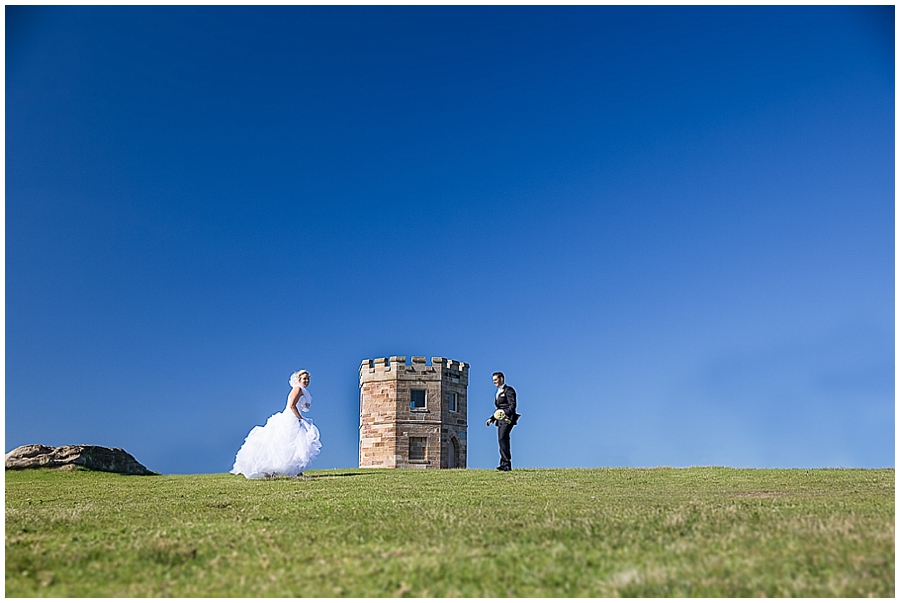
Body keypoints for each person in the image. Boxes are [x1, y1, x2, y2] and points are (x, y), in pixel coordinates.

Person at [231, 370, 322, 479]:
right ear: (299, 380)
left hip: (293, 416)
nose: (306, 381)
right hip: (291, 418)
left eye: (308, 379)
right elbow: (292, 405)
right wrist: (300, 418)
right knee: (288, 444)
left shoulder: (302, 391)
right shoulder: (297, 389)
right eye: (304, 379)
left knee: (295, 444)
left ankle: (296, 472)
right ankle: (276, 470)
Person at [485, 371, 518, 471]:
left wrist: (505, 414)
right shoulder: (498, 392)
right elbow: (499, 409)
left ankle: (506, 463)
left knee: (502, 438)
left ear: (501, 379)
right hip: (500, 420)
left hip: (508, 419)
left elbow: (512, 406)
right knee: (502, 439)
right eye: (493, 380)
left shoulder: (509, 390)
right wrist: (492, 418)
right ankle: (504, 463)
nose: (494, 382)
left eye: (496, 380)